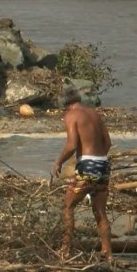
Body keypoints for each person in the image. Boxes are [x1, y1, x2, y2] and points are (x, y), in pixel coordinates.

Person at [52, 85, 113, 261]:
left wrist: (59, 162)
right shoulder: (95, 114)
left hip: (87, 165)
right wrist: (97, 161)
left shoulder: (71, 115)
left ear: (65, 103)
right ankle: (108, 253)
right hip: (103, 164)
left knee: (68, 206)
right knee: (100, 211)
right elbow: (108, 143)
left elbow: (71, 145)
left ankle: (65, 250)